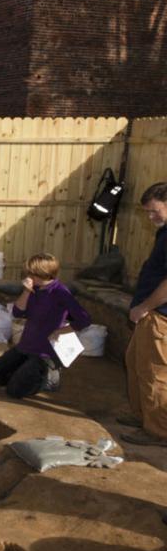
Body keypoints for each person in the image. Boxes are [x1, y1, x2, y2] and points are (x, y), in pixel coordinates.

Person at [0, 254, 90, 398]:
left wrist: (60, 331)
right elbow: (17, 312)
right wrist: (26, 291)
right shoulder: (34, 289)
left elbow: (84, 319)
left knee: (14, 391)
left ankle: (50, 377)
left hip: (45, 353)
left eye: (31, 273)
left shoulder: (61, 292)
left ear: (42, 273)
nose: (28, 276)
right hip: (25, 347)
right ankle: (25, 370)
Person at [119, 182, 167, 447]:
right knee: (136, 363)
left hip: (159, 315)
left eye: (154, 211)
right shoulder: (164, 232)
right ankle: (143, 416)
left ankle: (158, 431)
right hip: (151, 314)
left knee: (155, 374)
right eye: (147, 212)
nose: (150, 217)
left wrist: (145, 307)